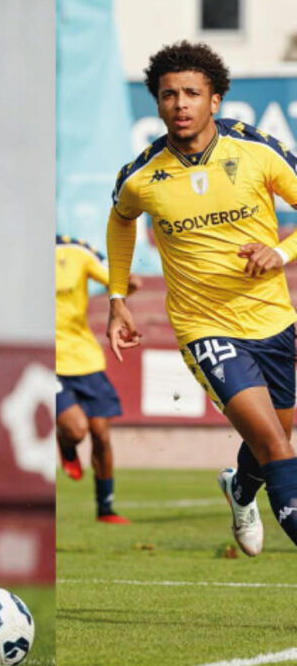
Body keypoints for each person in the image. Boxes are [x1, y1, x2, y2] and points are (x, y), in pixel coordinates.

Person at [107, 40, 297, 557]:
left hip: (274, 321)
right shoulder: (143, 175)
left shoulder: (255, 151)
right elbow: (121, 220)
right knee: (280, 448)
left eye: (192, 93)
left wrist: (281, 252)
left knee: (271, 443)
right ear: (158, 103)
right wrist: (118, 296)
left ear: (215, 101)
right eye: (169, 95)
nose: (180, 104)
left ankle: (240, 489)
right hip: (205, 328)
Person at [56, 235, 140, 524]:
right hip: (50, 361)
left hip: (85, 358)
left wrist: (128, 284)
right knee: (77, 429)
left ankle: (105, 509)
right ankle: (66, 444)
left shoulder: (75, 250)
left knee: (101, 434)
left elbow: (114, 280)